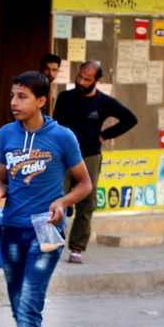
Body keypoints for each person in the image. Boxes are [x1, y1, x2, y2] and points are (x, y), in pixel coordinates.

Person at [0, 71, 92, 327]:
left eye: (22, 97)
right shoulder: (6, 134)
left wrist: (62, 202)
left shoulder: (62, 137)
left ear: (41, 101)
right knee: (21, 310)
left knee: (29, 308)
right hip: (12, 230)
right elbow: (4, 181)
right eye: (13, 96)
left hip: (46, 232)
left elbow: (84, 184)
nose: (14, 103)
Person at [53, 60, 138, 264]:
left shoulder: (104, 102)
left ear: (97, 80)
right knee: (56, 198)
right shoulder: (64, 98)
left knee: (86, 203)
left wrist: (105, 134)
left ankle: (77, 248)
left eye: (87, 79)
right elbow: (55, 126)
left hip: (89, 156)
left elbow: (130, 119)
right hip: (63, 157)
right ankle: (53, 243)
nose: (81, 81)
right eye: (80, 76)